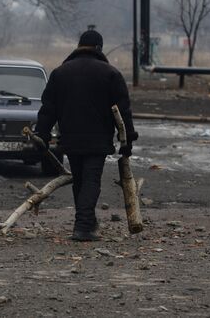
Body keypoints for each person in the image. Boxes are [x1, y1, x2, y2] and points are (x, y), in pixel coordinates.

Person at [36, 29, 138, 241]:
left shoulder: (60, 73)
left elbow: (48, 108)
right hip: (98, 140)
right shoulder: (110, 74)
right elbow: (123, 111)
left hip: (71, 138)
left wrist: (42, 134)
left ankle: (87, 223)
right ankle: (83, 226)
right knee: (91, 180)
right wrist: (126, 141)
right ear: (99, 48)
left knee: (80, 181)